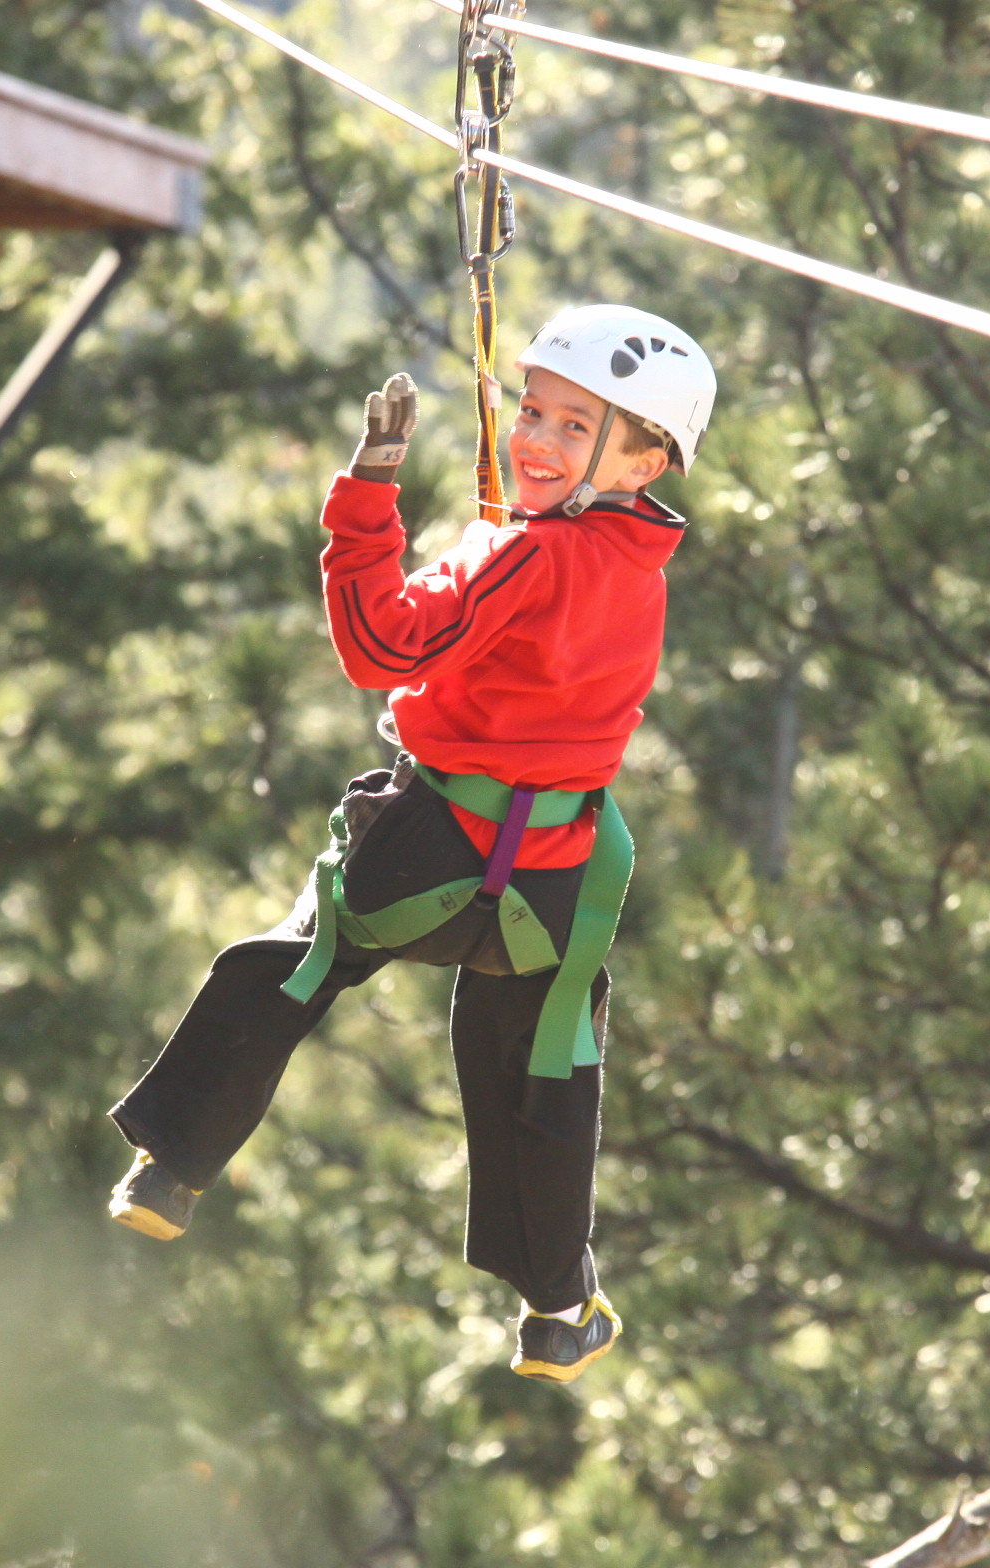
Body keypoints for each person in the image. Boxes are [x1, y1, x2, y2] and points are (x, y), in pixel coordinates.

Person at [105, 305, 716, 1382]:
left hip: (425, 849)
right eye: (531, 411)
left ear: (643, 455)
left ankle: (173, 1168)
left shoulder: (523, 552)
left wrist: (369, 493)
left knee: (294, 961)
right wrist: (504, 531)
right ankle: (558, 1305)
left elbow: (380, 640)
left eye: (575, 427)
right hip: (555, 883)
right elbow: (532, 604)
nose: (534, 438)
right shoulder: (641, 564)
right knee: (549, 1066)